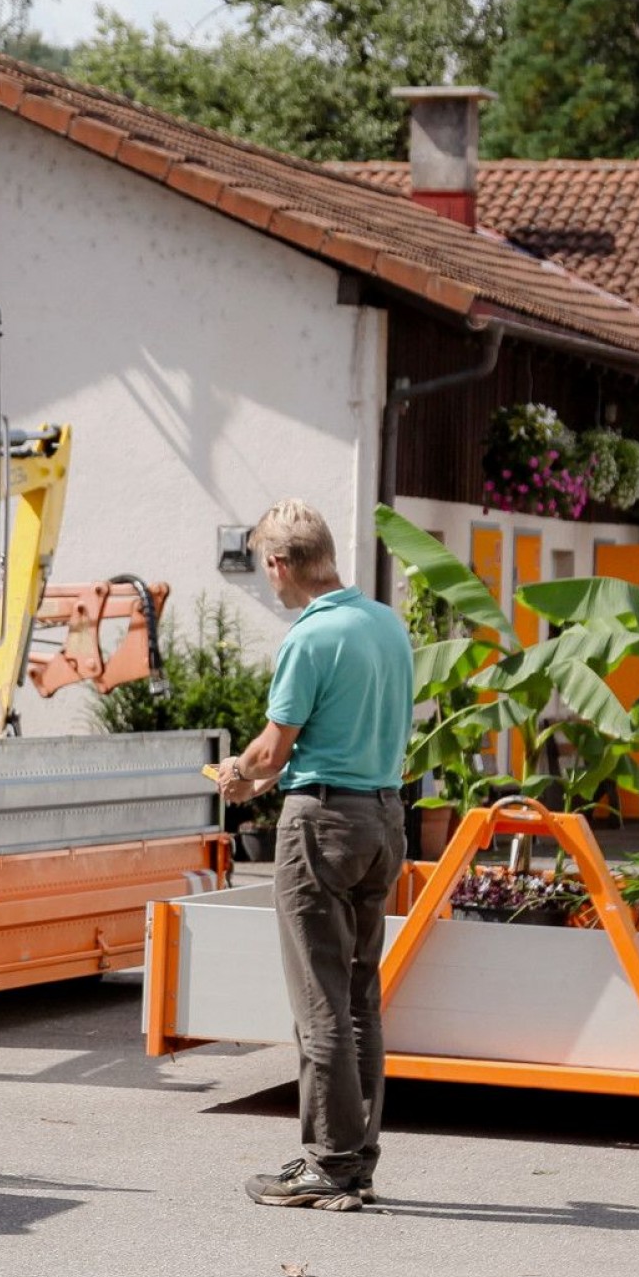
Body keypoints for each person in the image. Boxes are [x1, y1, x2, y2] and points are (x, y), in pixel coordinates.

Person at [217, 499, 413, 1211]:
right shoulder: (386, 625)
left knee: (318, 1001)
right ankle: (357, 1160)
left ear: (278, 564)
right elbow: (343, 736)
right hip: (384, 817)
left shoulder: (310, 638)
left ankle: (326, 1162)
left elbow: (275, 748)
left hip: (321, 824)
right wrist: (270, 770)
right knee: (359, 998)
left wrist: (240, 774)